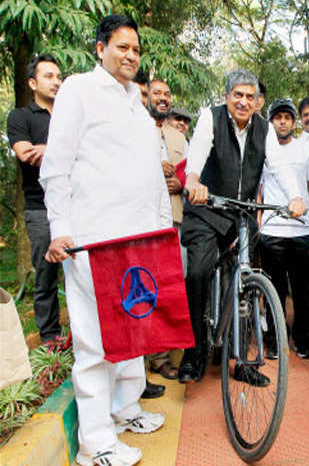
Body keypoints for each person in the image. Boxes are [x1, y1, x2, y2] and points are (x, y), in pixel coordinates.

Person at [40, 14, 169, 466]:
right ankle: (95, 443)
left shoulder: (137, 101)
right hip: (93, 240)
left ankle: (125, 408)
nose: (131, 55)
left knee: (133, 330)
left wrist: (161, 228)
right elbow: (55, 165)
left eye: (135, 49)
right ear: (100, 48)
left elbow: (152, 173)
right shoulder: (79, 90)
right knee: (95, 342)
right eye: (122, 47)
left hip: (139, 240)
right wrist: (61, 230)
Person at [179, 69, 305, 384]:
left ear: (257, 101)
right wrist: (193, 179)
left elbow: (278, 167)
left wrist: (296, 197)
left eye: (250, 96)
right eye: (238, 95)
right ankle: (193, 353)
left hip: (242, 216)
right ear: (227, 97)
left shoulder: (264, 130)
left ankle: (243, 361)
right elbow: (198, 151)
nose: (243, 101)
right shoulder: (211, 117)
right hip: (207, 210)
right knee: (196, 273)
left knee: (246, 282)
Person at [6, 54, 66, 350]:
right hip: (39, 208)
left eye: (58, 76)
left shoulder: (69, 115)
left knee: (83, 273)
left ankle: (84, 338)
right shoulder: (20, 117)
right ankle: (50, 342)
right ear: (32, 83)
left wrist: (48, 150)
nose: (56, 81)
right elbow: (26, 153)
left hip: (75, 206)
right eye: (48, 76)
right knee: (45, 276)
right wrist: (62, 150)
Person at [259, 99, 309, 359]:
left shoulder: (305, 149)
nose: (282, 121)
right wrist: (259, 221)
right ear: (271, 121)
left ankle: (303, 339)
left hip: (302, 231)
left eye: (287, 117)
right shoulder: (263, 149)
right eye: (278, 117)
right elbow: (258, 189)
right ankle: (274, 340)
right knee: (274, 289)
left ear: (293, 122)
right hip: (272, 230)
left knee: (302, 290)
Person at [130, 71, 169, 400]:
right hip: (125, 231)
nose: (148, 100)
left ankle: (143, 374)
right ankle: (133, 379)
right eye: (144, 94)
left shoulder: (155, 133)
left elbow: (159, 188)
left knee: (151, 300)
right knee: (131, 303)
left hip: (156, 228)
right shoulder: (124, 128)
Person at [147, 78, 189, 381]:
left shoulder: (178, 137)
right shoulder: (134, 128)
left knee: (174, 286)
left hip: (176, 217)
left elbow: (189, 171)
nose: (162, 98)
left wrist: (181, 183)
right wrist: (154, 167)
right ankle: (156, 356)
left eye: (166, 95)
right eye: (156, 93)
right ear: (146, 96)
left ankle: (169, 347)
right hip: (145, 219)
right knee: (149, 287)